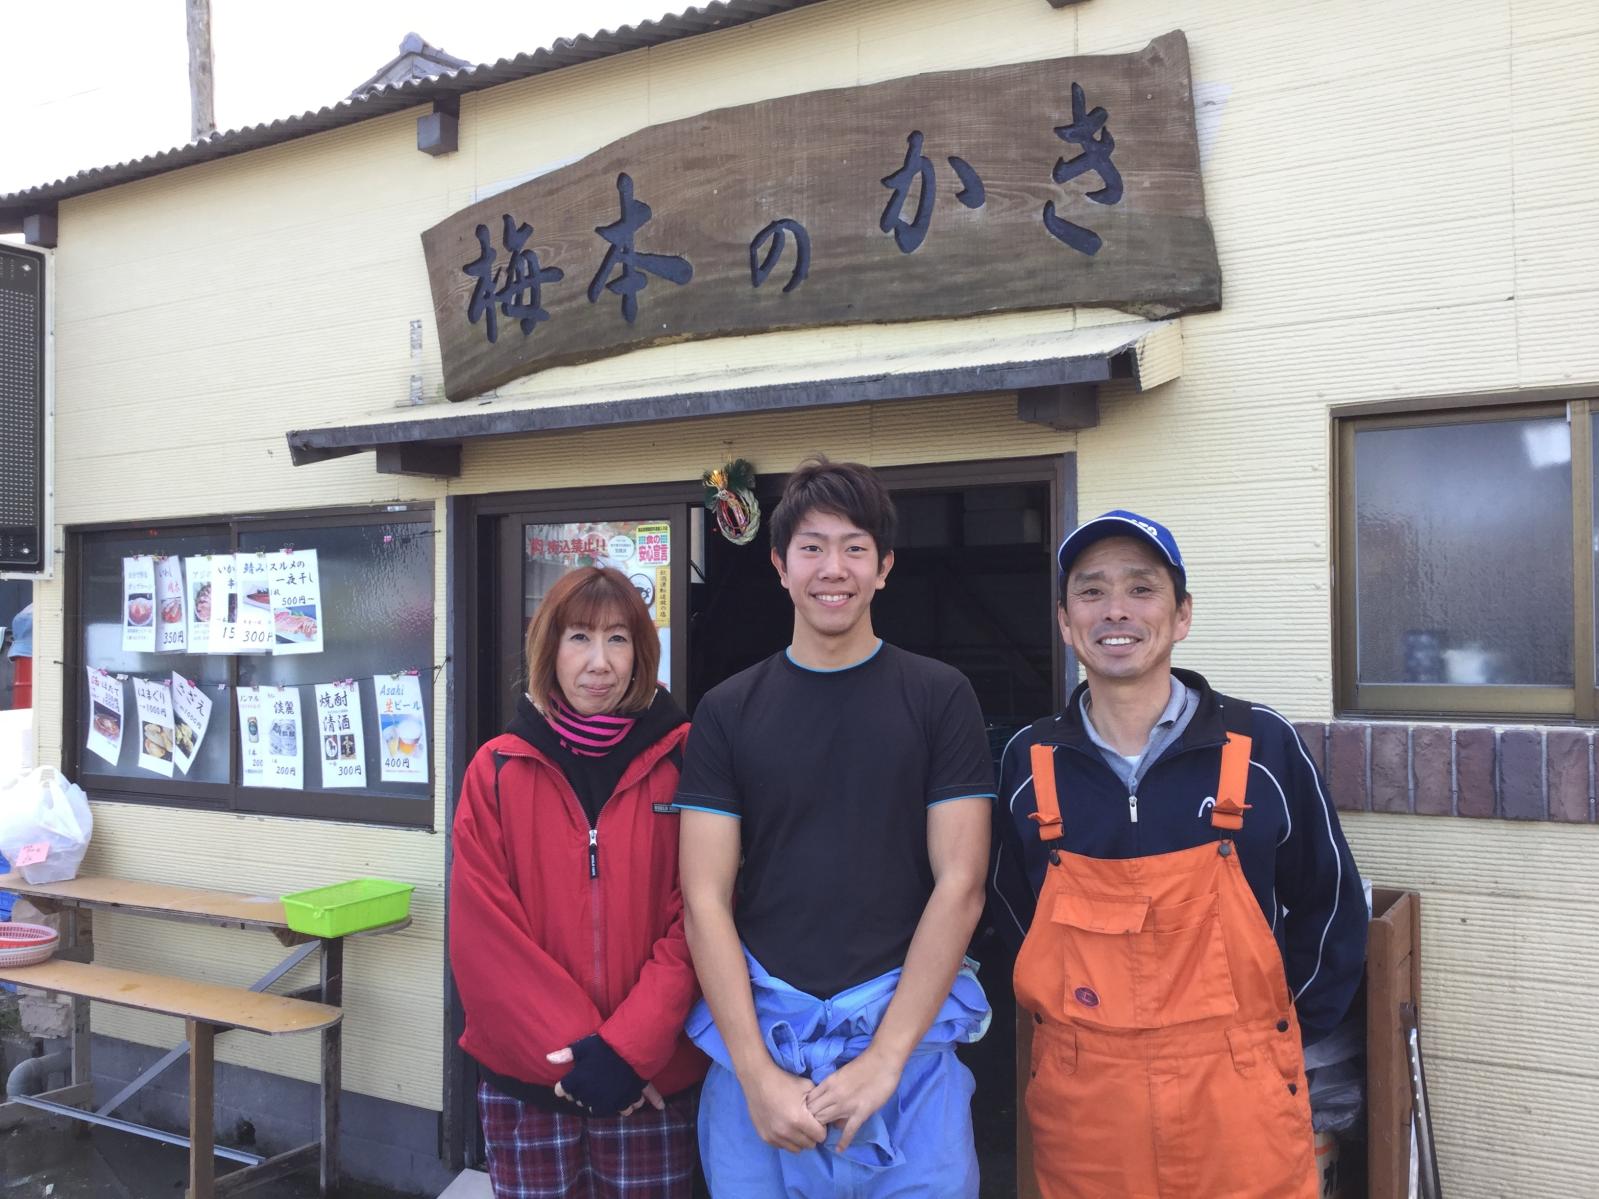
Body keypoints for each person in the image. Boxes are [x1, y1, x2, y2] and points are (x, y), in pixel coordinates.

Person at [990, 510, 1367, 1199]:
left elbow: (1331, 904)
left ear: (1181, 613)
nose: (1115, 611)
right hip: (1087, 1108)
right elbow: (1012, 909)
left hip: (1240, 1097)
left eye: (1141, 588)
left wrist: (1269, 1036)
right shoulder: (1028, 762)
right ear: (1064, 620)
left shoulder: (1260, 748)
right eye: (1091, 590)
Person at [677, 457, 996, 1198]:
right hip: (764, 1044)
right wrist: (755, 1074)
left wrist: (884, 1059)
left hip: (906, 1049)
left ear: (883, 568)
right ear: (779, 566)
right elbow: (703, 897)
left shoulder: (938, 696)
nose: (833, 568)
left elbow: (963, 882)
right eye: (812, 547)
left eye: (855, 547)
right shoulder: (727, 709)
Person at [450, 567, 703, 1199]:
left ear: (641, 654)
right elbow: (485, 937)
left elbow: (700, 916)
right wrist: (586, 1055)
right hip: (529, 1082)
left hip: (650, 1080)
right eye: (578, 638)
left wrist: (626, 1053)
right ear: (549, 650)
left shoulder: (686, 762)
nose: (598, 662)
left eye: (617, 639)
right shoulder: (498, 769)